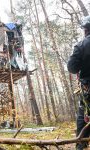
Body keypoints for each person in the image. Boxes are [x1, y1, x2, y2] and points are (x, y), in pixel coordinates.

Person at [67, 15, 90, 150]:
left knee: (83, 117)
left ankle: (81, 145)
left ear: (85, 29)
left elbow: (72, 67)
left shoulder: (81, 45)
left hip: (88, 90)